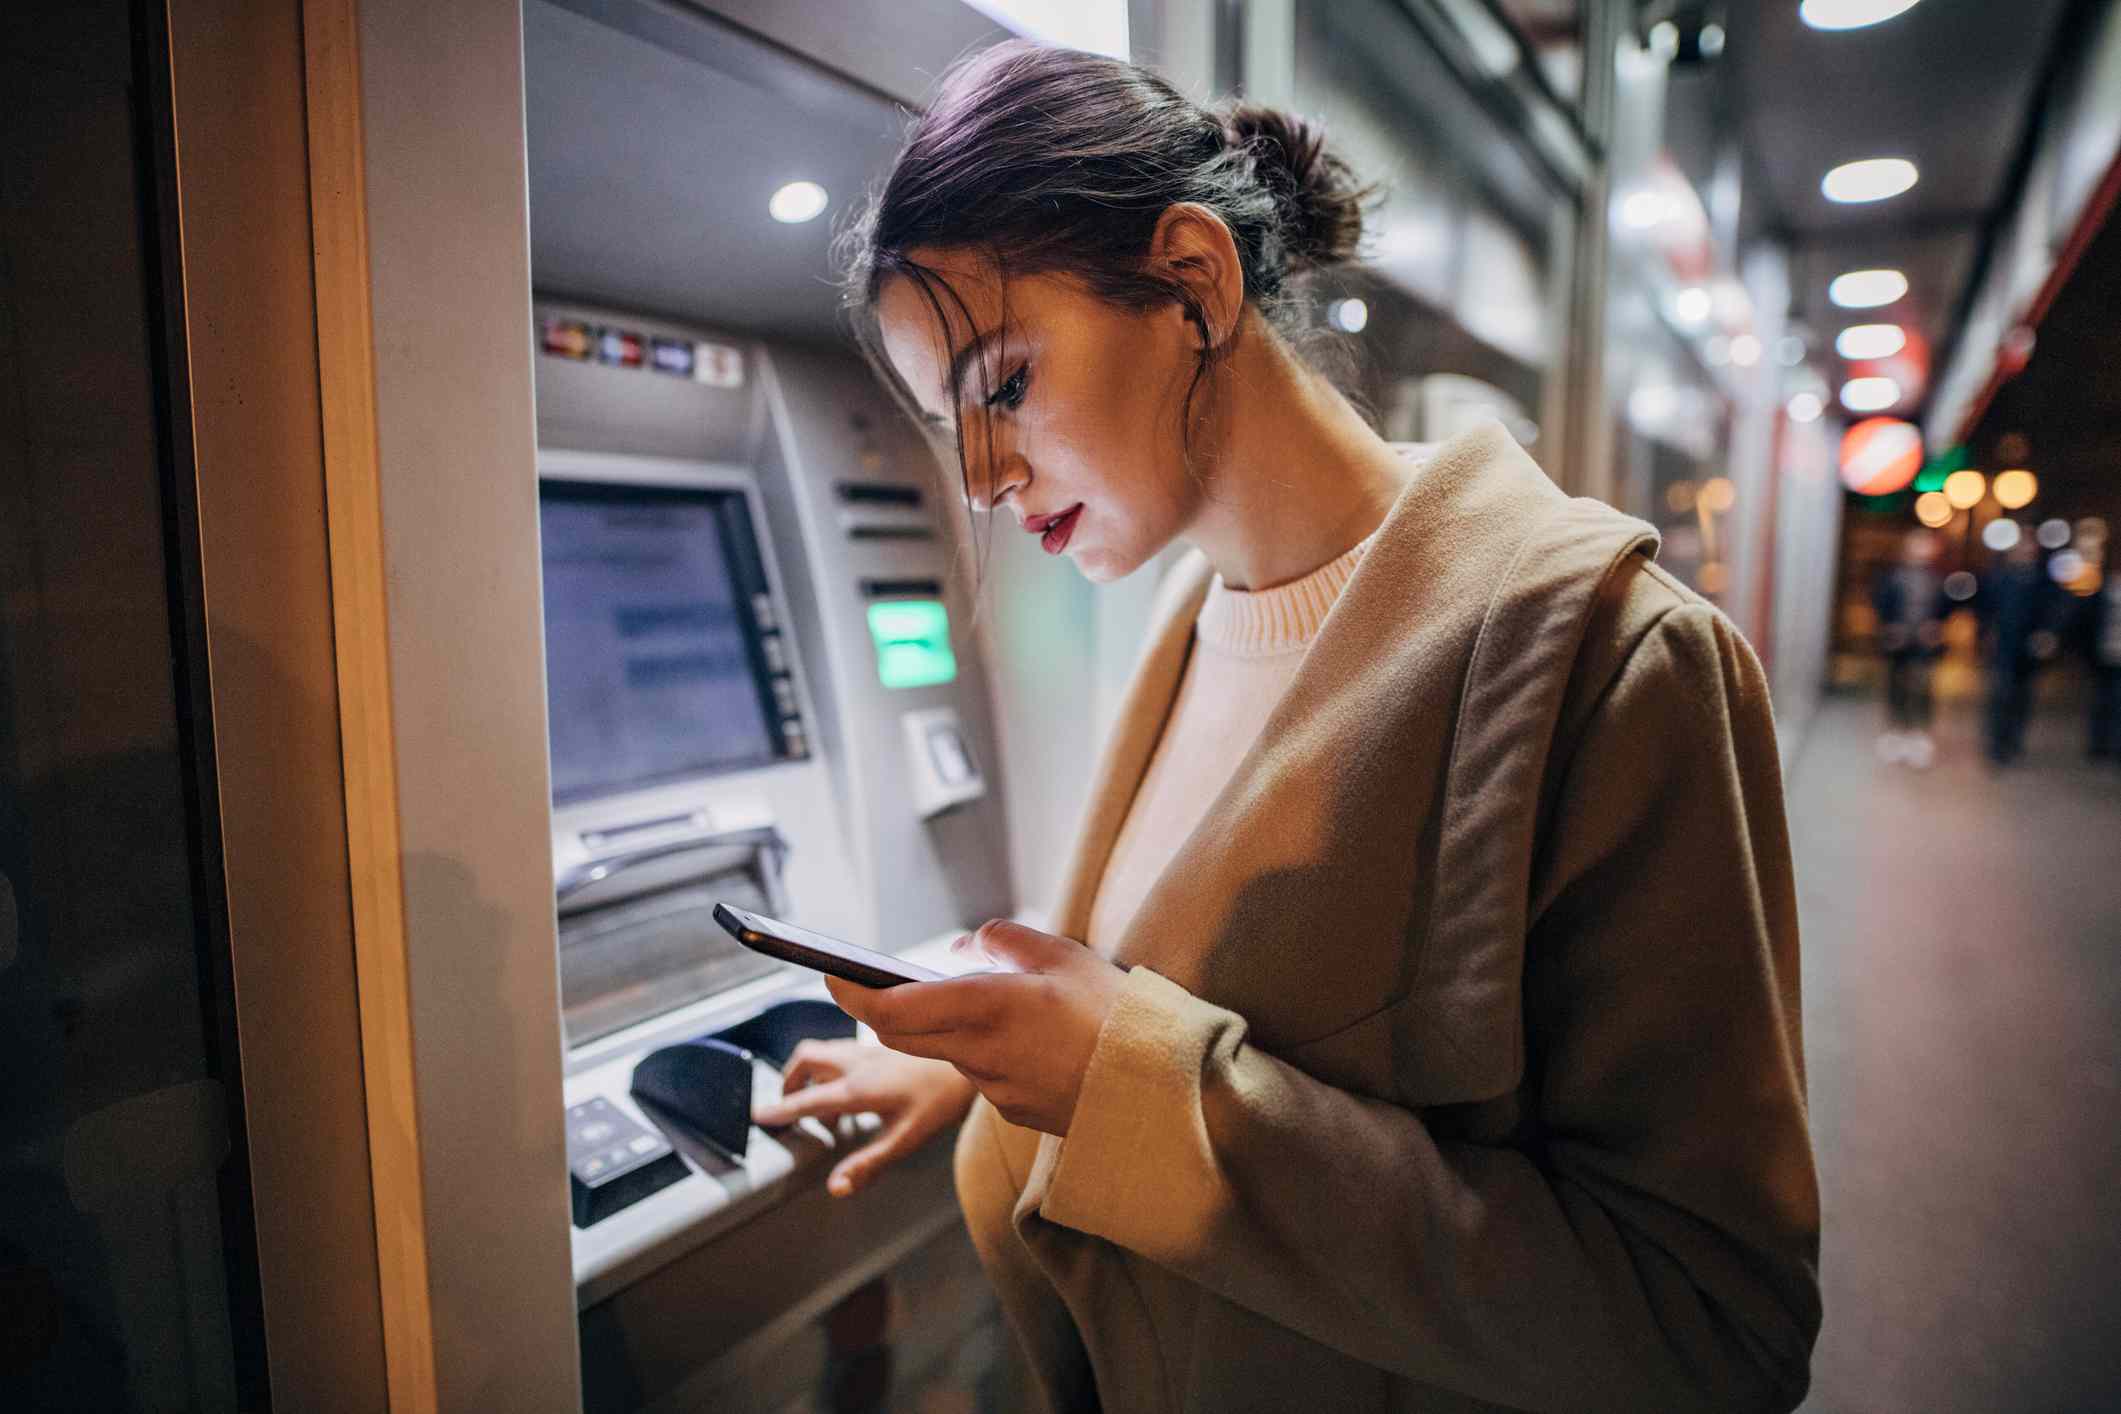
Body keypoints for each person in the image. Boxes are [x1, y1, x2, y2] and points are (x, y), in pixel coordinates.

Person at [750, 41, 1819, 1414]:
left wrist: (1122, 1089)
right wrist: (983, 1068)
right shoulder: (1191, 612)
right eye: (947, 423)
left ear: (1194, 283)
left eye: (1003, 385)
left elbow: (1712, 1324)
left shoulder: (1616, 662)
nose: (979, 479)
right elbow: (1188, 983)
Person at [1869, 527, 1948, 768]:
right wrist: (1890, 626)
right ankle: (1896, 734)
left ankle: (1918, 737)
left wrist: (1936, 627)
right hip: (1899, 642)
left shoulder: (1937, 579)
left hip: (1924, 644)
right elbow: (1880, 603)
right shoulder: (1892, 576)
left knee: (1923, 688)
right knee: (1896, 685)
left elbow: (1944, 608)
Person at [1979, 535, 2059, 765]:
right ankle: (1996, 743)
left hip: (2029, 648)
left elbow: (2054, 610)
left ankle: (2013, 740)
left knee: (2023, 696)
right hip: (2004, 646)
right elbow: (1985, 608)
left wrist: (2047, 634)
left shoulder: (2043, 581)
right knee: (2001, 694)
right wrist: (1986, 633)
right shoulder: (1999, 577)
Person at [2087, 565, 2121, 761]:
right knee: (2102, 700)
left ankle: (2114, 745)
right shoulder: (2104, 587)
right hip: (2104, 654)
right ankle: (2098, 744)